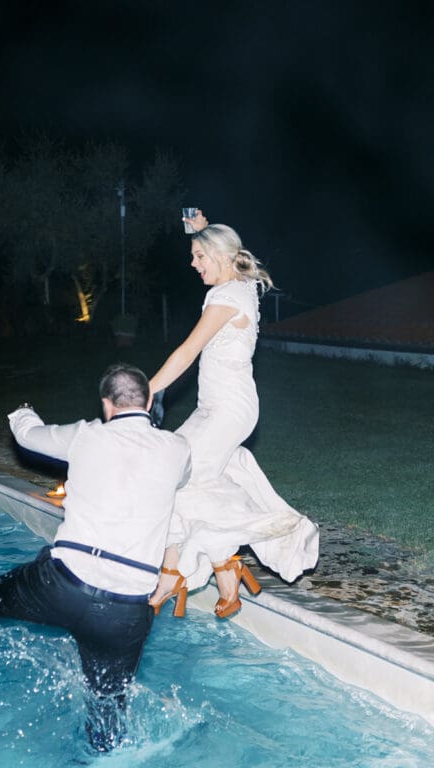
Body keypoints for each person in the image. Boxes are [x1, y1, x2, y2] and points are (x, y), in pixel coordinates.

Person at [0, 363, 191, 752]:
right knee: (107, 704)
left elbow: (27, 435)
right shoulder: (178, 449)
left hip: (61, 585)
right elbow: (169, 494)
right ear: (147, 402)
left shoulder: (86, 436)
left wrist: (24, 408)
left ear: (107, 405)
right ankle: (106, 751)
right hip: (125, 611)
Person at [148, 212, 320, 619]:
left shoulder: (227, 298)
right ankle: (228, 574)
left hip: (228, 410)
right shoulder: (236, 285)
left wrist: (148, 391)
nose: (193, 264)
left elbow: (188, 351)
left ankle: (173, 576)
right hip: (216, 407)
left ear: (218, 257)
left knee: (181, 481)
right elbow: (219, 248)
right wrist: (198, 232)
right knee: (183, 477)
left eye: (198, 257)